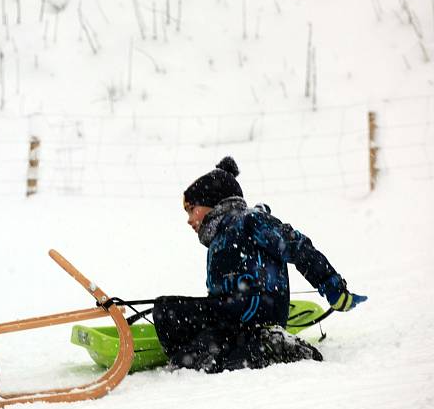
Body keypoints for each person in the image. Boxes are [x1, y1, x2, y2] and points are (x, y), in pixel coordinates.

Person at [151, 156, 367, 373]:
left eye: (191, 209)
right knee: (177, 339)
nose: (189, 219)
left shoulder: (250, 221)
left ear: (212, 201)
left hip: (258, 318)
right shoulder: (217, 240)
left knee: (168, 313)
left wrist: (332, 286)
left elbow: (297, 246)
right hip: (232, 324)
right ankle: (239, 353)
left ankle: (272, 343)